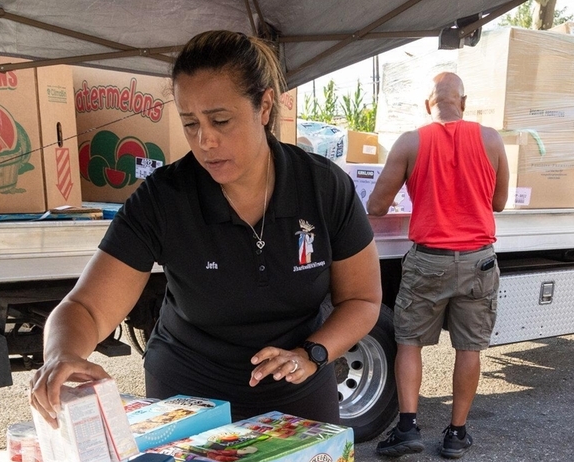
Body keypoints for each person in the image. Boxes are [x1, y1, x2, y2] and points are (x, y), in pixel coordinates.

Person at [30, 30, 381, 427]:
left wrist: (312, 354)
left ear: (264, 106)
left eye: (220, 120)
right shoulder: (165, 198)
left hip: (298, 387)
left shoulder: (322, 187)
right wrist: (62, 354)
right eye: (190, 123)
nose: (205, 141)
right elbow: (86, 308)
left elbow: (362, 300)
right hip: (188, 396)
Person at [365, 72, 509, 459]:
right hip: (479, 260)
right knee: (469, 347)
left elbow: (376, 206)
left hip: (429, 258)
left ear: (428, 104)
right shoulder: (491, 139)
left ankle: (408, 428)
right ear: (463, 101)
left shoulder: (411, 141)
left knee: (409, 341)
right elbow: (499, 203)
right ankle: (456, 433)